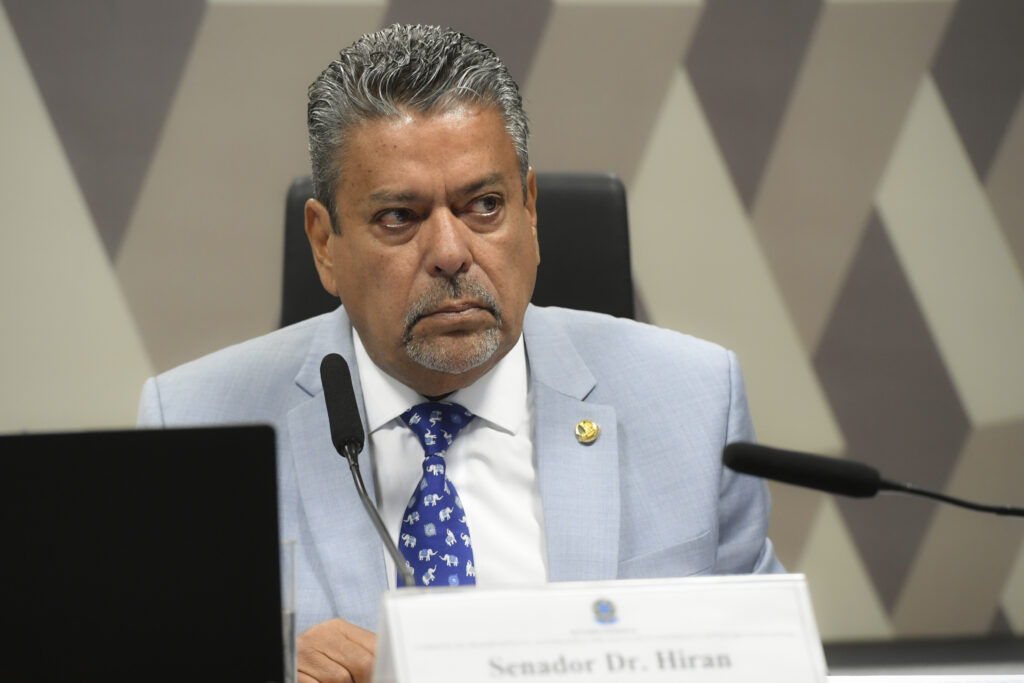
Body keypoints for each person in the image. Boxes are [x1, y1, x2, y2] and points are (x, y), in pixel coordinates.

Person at [138, 23, 783, 683]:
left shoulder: (694, 401)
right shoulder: (193, 426)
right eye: (399, 217)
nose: (450, 252)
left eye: (484, 205)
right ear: (325, 243)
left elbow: (769, 663)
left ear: (530, 211)